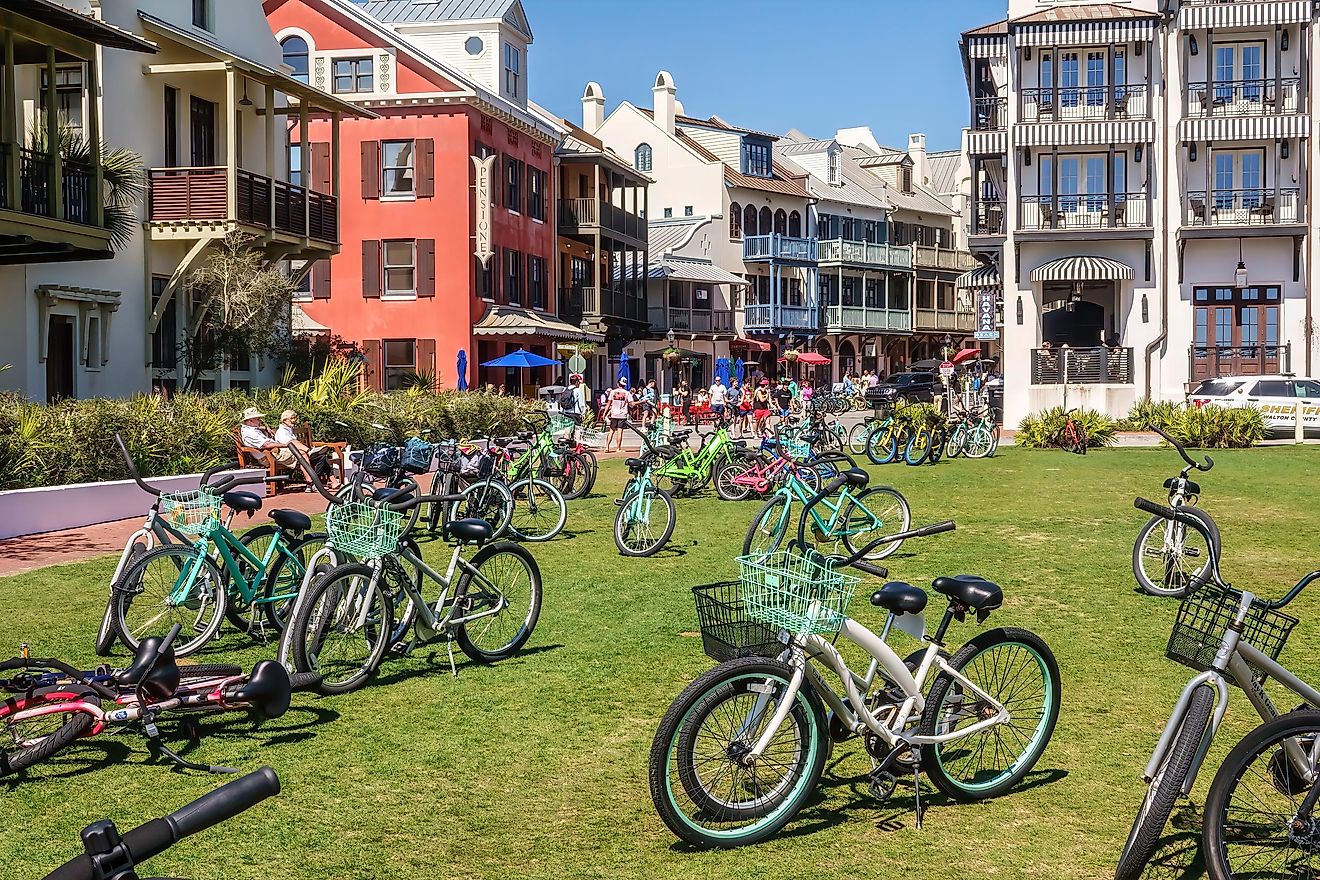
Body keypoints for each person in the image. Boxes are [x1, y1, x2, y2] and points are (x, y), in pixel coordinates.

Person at [239, 408, 314, 489]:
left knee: (304, 453)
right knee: (301, 454)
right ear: (250, 421)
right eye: (258, 419)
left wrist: (265, 428)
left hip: (273, 452)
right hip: (268, 455)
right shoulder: (250, 433)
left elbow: (262, 435)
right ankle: (310, 483)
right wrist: (285, 445)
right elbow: (266, 445)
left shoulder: (251, 429)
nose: (260, 421)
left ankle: (311, 482)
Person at [273, 410, 333, 486]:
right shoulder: (282, 431)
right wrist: (307, 450)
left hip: (297, 453)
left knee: (322, 457)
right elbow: (290, 443)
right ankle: (311, 483)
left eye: (294, 418)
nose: (294, 420)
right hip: (289, 454)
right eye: (291, 418)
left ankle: (327, 482)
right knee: (306, 456)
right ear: (284, 420)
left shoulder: (289, 429)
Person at [604, 378, 633, 452]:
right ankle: (618, 448)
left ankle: (607, 447)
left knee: (611, 431)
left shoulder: (613, 392)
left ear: (618, 384)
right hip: (622, 415)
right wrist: (641, 402)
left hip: (614, 414)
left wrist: (604, 413)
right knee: (620, 431)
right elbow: (631, 403)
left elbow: (608, 403)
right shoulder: (627, 393)